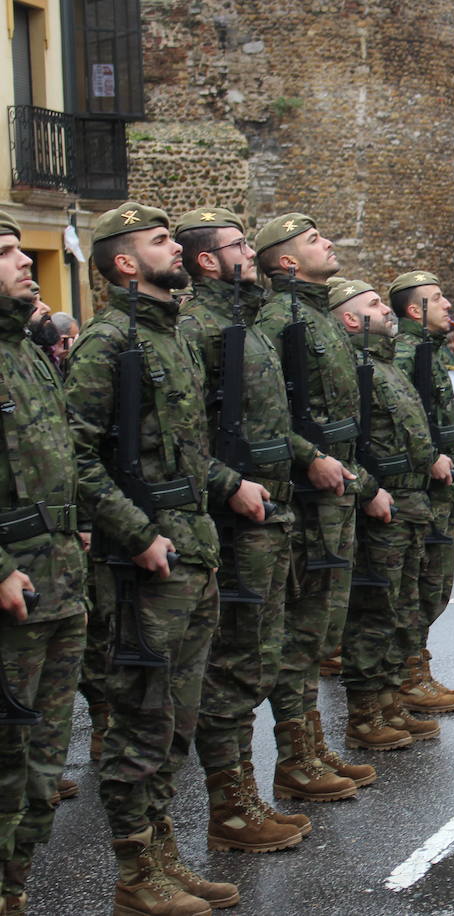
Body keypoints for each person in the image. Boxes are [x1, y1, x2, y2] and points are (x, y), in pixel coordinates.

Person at [65, 202, 242, 914]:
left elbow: (190, 453)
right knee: (139, 721)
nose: (176, 249)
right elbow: (74, 458)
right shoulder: (107, 345)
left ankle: (164, 853)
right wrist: (135, 533)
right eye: (161, 241)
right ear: (126, 263)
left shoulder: (167, 336)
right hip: (144, 565)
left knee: (177, 720)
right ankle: (135, 872)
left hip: (191, 552)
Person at [174, 206, 320, 854]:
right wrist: (228, 486)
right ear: (207, 259)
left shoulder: (242, 321)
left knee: (259, 661)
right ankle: (229, 811)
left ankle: (247, 799)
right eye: (237, 245)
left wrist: (307, 457)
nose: (249, 255)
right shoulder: (199, 328)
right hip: (236, 520)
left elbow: (261, 423)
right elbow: (181, 439)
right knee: (234, 669)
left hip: (269, 511)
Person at [254, 213, 382, 798]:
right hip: (309, 496)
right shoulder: (279, 319)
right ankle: (294, 759)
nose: (326, 243)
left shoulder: (312, 314)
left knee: (320, 627)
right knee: (302, 629)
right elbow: (271, 409)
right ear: (285, 261)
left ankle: (311, 746)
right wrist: (309, 457)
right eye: (311, 240)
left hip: (335, 492)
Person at [0, 212, 87, 914]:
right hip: (14, 589)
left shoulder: (27, 352)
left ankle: (14, 888)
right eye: (6, 254)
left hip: (59, 580)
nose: (26, 260)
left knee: (42, 764)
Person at [332, 279, 448, 751]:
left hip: (409, 500)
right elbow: (346, 441)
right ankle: (363, 715)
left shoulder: (384, 364)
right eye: (375, 304)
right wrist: (367, 490)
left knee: (399, 605)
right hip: (384, 502)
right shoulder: (354, 368)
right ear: (351, 319)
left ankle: (387, 701)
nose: (386, 310)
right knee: (373, 609)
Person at [388, 270, 454, 715]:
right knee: (420, 586)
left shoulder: (429, 350)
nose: (447, 305)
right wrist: (427, 459)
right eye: (437, 299)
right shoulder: (406, 353)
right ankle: (409, 676)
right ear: (414, 310)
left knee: (433, 586)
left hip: (436, 487)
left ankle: (414, 669)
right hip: (417, 487)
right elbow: (395, 421)